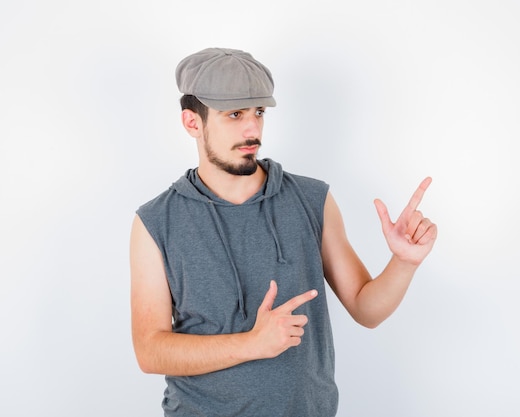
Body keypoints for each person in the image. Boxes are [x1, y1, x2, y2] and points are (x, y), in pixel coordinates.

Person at [130, 47, 437, 417]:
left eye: (259, 112)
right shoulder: (156, 221)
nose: (252, 130)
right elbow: (150, 351)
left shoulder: (311, 199)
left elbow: (366, 309)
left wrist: (403, 262)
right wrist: (253, 344)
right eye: (235, 115)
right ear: (193, 123)